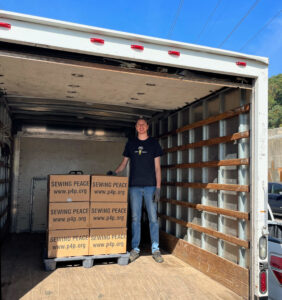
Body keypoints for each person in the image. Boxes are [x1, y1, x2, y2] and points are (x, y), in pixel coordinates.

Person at [109, 117, 164, 263]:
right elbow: (124, 163)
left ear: (147, 127)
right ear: (136, 127)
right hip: (134, 187)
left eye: (143, 124)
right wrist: (114, 173)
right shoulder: (131, 143)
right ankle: (135, 249)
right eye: (138, 125)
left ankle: (155, 249)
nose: (141, 127)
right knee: (135, 219)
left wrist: (158, 187)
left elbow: (157, 167)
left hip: (150, 186)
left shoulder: (154, 143)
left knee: (153, 218)